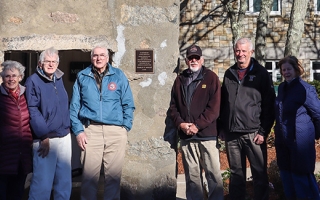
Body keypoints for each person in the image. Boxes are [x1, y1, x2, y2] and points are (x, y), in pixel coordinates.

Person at [70, 44, 135, 200]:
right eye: (95, 55)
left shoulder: (118, 76)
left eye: (102, 55)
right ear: (91, 58)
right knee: (89, 177)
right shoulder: (83, 76)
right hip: (91, 130)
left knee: (113, 177)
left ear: (108, 58)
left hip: (115, 131)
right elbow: (74, 106)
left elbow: (128, 103)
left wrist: (125, 127)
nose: (98, 58)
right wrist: (78, 131)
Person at [219, 37, 275, 200]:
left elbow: (269, 105)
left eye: (244, 51)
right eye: (237, 50)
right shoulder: (229, 73)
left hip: (253, 134)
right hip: (232, 134)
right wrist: (222, 127)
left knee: (259, 174)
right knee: (236, 175)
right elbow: (223, 103)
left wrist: (263, 131)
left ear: (251, 52)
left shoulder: (261, 73)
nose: (240, 54)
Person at [169, 44, 224, 200]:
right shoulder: (179, 80)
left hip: (207, 136)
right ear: (186, 60)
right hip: (187, 137)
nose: (194, 61)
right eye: (190, 58)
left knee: (213, 175)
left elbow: (214, 108)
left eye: (196, 58)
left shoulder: (211, 78)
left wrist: (197, 125)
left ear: (202, 59)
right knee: (192, 178)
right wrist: (181, 124)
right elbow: (173, 107)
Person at [25, 47, 72, 199]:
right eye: (47, 61)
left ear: (58, 63)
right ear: (40, 63)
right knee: (42, 183)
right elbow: (32, 109)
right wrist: (43, 135)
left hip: (64, 135)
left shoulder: (58, 79)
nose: (51, 64)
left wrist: (67, 127)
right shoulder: (33, 80)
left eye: (54, 61)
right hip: (46, 139)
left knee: (64, 180)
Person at [274, 56, 320, 200]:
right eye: (283, 70)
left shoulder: (305, 89)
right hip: (283, 141)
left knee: (302, 180)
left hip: (300, 142)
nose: (286, 72)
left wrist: (313, 135)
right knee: (287, 178)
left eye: (289, 69)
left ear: (296, 70)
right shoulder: (282, 88)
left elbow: (318, 114)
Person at [0, 60, 33, 200]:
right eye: (7, 76)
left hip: (22, 155)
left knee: (18, 193)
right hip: (3, 155)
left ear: (21, 77)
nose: (11, 79)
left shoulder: (27, 95)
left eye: (14, 75)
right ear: (2, 78)